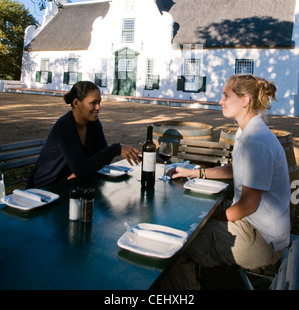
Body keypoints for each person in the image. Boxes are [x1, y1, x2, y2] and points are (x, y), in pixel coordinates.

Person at [163, 74, 291, 290]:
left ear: (244, 100)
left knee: (174, 247)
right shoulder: (247, 131)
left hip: (261, 240)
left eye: (225, 95)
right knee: (188, 214)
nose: (220, 101)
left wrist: (210, 219)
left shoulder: (256, 140)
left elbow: (248, 205)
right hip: (256, 227)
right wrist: (195, 173)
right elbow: (235, 170)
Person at [27, 81, 141, 188]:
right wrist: (116, 149)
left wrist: (81, 171)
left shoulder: (93, 124)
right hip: (44, 190)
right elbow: (81, 168)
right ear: (76, 103)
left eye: (99, 102)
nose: (98, 107)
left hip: (71, 186)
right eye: (93, 103)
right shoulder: (64, 127)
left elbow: (102, 160)